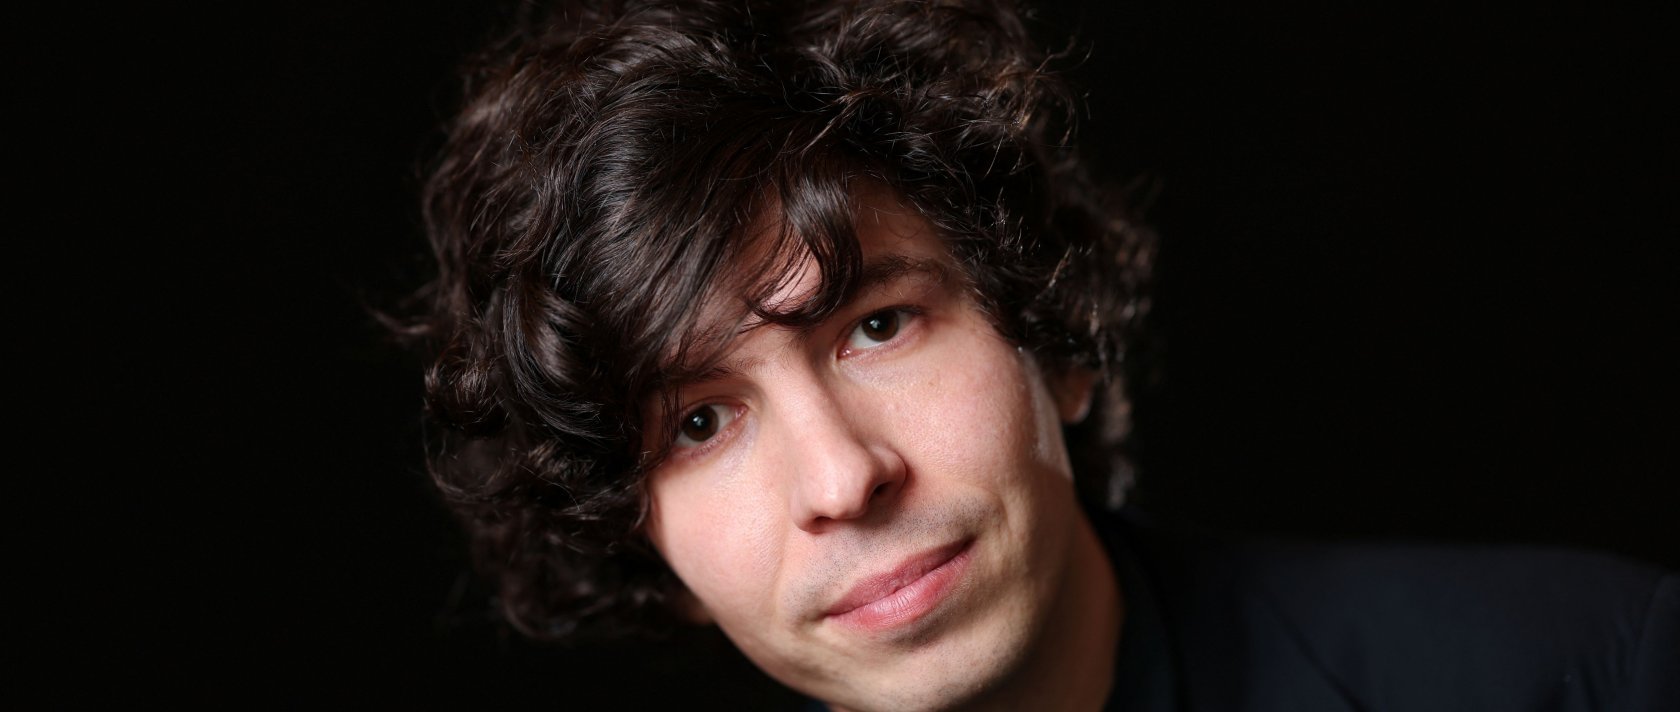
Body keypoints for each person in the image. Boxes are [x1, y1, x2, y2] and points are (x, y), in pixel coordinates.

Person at [409, 1, 1678, 709]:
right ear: (644, 541)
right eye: (698, 421)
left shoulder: (1594, 671)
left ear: (1055, 338)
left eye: (878, 324)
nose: (842, 477)